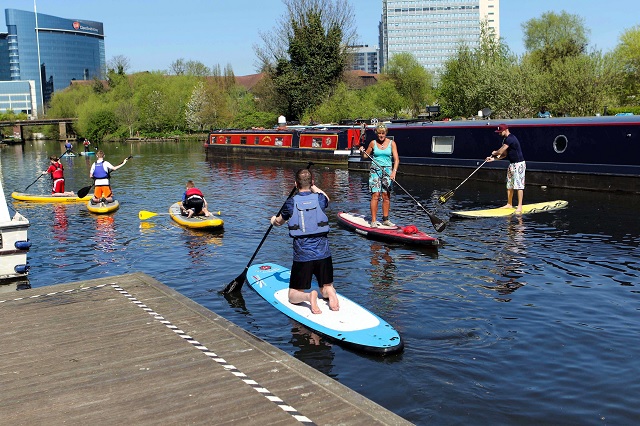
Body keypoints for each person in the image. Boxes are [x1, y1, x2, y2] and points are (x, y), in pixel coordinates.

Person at [270, 168, 339, 314]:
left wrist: (273, 220)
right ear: (312, 182)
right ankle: (331, 293)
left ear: (296, 184)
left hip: (303, 256)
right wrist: (313, 186)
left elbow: (279, 222)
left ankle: (309, 296)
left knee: (293, 295)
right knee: (326, 286)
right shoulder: (320, 199)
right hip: (323, 254)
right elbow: (326, 197)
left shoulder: (290, 203)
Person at [359, 123, 399, 227]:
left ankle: (385, 219)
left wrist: (394, 172)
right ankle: (373, 221)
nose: (381, 135)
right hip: (375, 171)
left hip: (387, 171)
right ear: (377, 134)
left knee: (386, 195)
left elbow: (396, 159)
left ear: (386, 133)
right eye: (379, 133)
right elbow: (365, 156)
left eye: (383, 133)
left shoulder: (392, 143)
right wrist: (361, 151)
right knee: (375, 195)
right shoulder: (373, 143)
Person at [486, 124, 526, 214]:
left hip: (519, 164)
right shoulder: (505, 140)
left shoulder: (510, 138)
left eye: (500, 132)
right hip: (512, 164)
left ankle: (519, 206)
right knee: (509, 184)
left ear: (506, 130)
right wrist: (492, 159)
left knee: (519, 185)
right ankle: (509, 203)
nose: (499, 133)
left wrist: (494, 152)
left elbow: (499, 151)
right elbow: (504, 155)